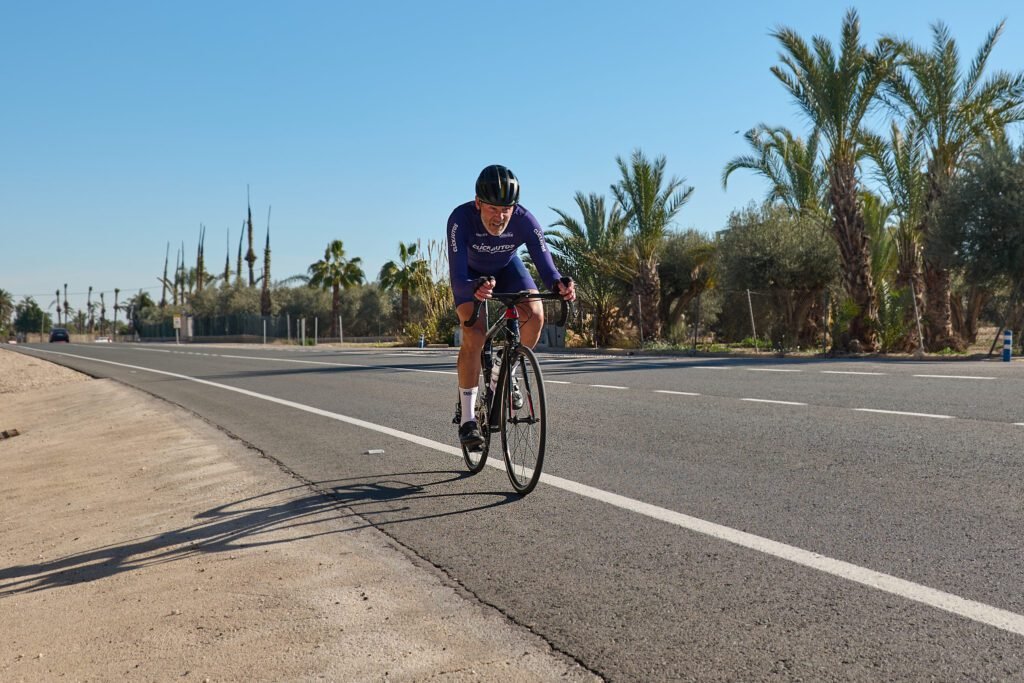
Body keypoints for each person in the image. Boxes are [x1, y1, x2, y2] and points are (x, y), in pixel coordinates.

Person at [447, 164, 576, 449]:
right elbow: (457, 276)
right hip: (469, 276)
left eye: (506, 208)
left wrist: (559, 285)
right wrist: (473, 288)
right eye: (493, 208)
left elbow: (547, 266)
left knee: (535, 314)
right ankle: (468, 419)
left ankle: (503, 373)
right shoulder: (460, 219)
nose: (500, 216)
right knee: (475, 335)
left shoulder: (524, 220)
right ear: (478, 203)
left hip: (507, 268)